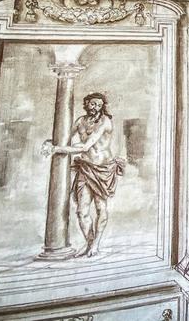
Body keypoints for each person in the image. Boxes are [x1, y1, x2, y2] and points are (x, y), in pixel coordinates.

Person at [43, 92, 125, 257]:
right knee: (82, 211)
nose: (96, 108)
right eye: (93, 104)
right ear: (86, 103)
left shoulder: (105, 122)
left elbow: (86, 146)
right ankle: (89, 242)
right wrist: (50, 142)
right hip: (85, 167)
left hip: (103, 169)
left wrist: (56, 149)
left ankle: (96, 244)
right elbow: (64, 138)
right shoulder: (80, 121)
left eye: (99, 105)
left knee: (101, 207)